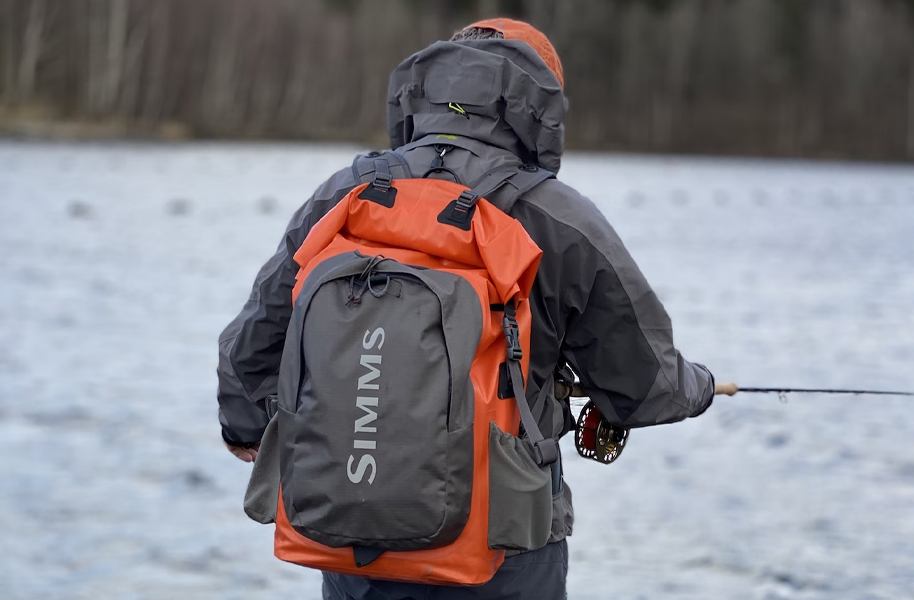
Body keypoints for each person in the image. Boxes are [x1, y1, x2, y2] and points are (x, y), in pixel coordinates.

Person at [217, 17, 715, 600]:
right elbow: (646, 385)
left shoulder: (347, 193)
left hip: (352, 540)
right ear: (540, 105)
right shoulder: (557, 218)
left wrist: (245, 424)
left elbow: (249, 346)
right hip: (500, 549)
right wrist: (700, 386)